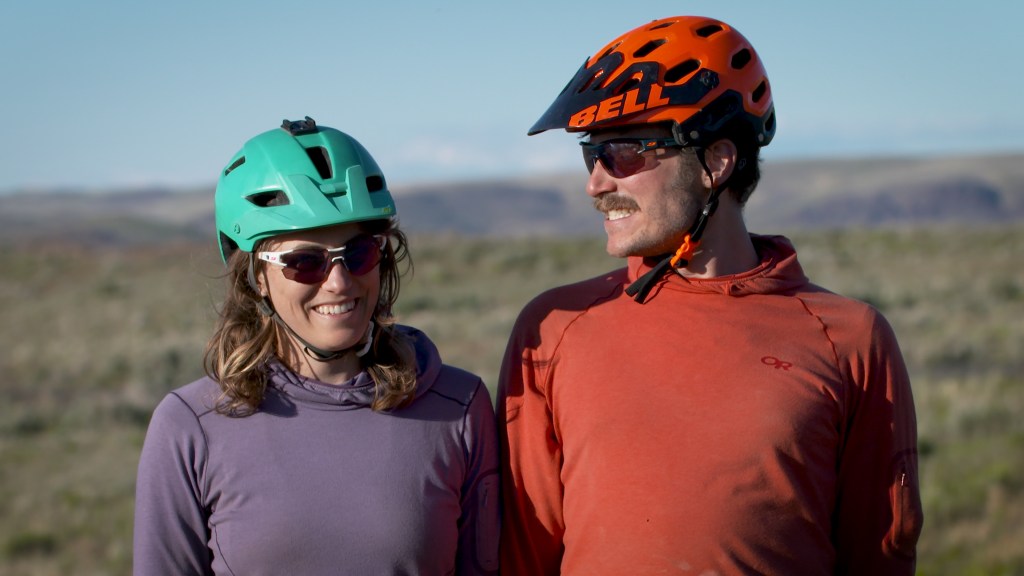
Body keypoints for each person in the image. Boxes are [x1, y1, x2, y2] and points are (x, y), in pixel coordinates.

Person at [498, 15, 923, 575]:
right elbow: (522, 557)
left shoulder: (851, 339)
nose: (596, 184)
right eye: (591, 155)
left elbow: (878, 559)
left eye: (624, 153)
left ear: (716, 163)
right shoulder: (553, 327)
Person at [133, 117, 500, 575]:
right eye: (304, 262)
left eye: (361, 252)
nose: (339, 282)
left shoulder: (460, 408)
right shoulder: (190, 427)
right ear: (254, 277)